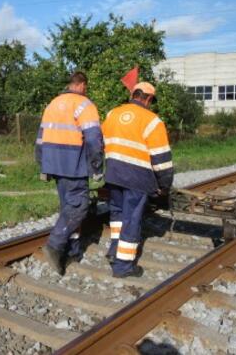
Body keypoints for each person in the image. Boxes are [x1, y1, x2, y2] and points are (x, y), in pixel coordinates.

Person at [101, 82, 173, 278]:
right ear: (148, 98)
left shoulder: (112, 114)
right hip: (137, 178)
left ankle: (114, 251)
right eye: (152, 100)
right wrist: (164, 186)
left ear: (133, 94)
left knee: (117, 214)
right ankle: (123, 266)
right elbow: (161, 159)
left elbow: (102, 143)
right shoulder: (152, 121)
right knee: (132, 219)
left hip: (113, 174)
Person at [35, 71, 104, 275]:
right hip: (74, 164)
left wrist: (42, 163)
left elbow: (40, 137)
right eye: (86, 87)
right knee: (79, 207)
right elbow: (93, 140)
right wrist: (97, 168)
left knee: (68, 207)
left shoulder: (53, 104)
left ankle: (72, 251)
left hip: (54, 163)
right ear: (82, 85)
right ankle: (54, 245)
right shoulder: (85, 105)